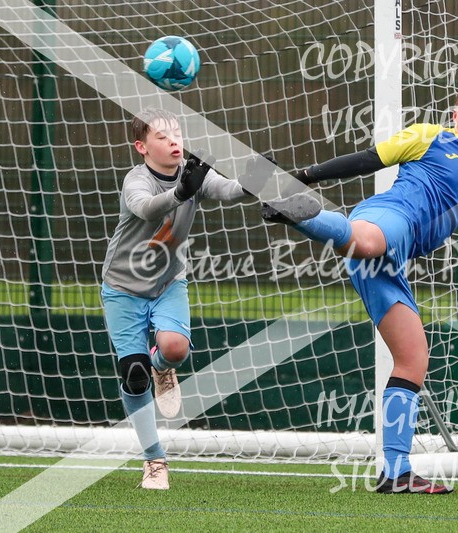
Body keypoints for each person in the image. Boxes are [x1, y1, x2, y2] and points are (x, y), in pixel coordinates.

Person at [261, 81, 458, 494]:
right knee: (369, 240)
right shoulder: (430, 135)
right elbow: (368, 160)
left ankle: (395, 471)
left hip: (393, 259)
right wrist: (303, 176)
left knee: (413, 359)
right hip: (388, 216)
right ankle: (291, 203)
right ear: (455, 114)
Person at [101, 108, 307, 489]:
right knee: (133, 375)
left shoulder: (193, 172)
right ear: (141, 147)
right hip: (122, 288)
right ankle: (154, 461)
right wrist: (181, 192)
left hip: (167, 282)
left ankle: (162, 366)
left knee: (175, 349)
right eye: (162, 137)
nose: (173, 141)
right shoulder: (137, 180)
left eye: (176, 133)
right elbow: (145, 208)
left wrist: (252, 182)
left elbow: (227, 191)